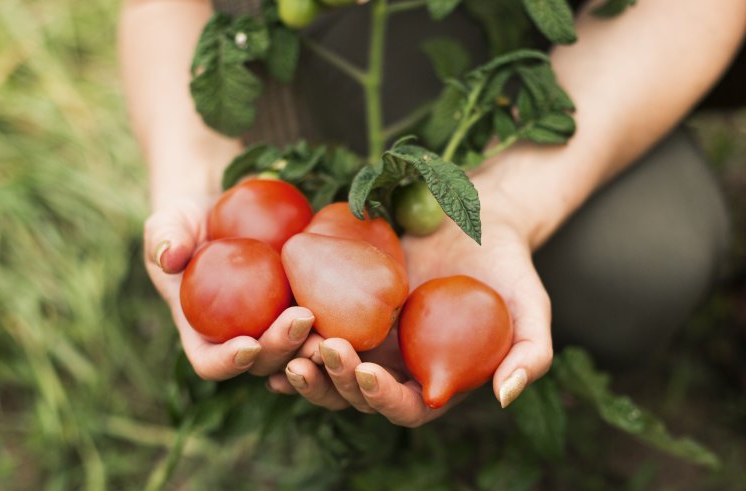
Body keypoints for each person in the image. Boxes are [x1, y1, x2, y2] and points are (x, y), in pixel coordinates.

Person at [119, 0, 746, 427]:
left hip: (529, 28)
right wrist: (195, 164)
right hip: (317, 33)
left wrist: (515, 200)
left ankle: (458, 418)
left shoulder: (315, 255)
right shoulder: (313, 249)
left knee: (643, 257)